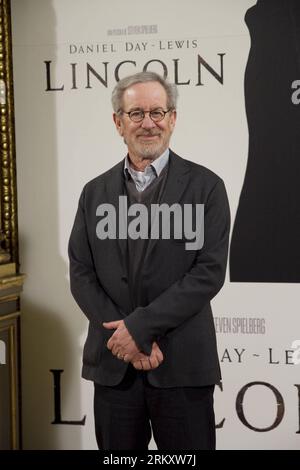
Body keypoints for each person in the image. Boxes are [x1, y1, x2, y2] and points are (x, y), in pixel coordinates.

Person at [68, 71, 230, 450]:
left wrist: (138, 330)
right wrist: (123, 338)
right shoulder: (94, 193)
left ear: (173, 119)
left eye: (157, 112)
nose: (148, 123)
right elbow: (81, 272)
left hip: (181, 363)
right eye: (136, 113)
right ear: (118, 123)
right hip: (115, 365)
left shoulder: (207, 187)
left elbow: (208, 273)